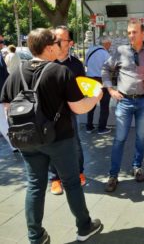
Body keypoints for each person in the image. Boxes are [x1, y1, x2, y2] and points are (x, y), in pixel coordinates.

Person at [0, 28, 103, 243]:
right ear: (48, 48)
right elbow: (79, 108)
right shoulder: (59, 72)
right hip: (59, 139)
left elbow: (8, 108)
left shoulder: (16, 73)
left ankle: (35, 236)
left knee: (35, 185)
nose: (59, 46)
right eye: (56, 43)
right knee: (72, 183)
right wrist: (96, 97)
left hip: (28, 140)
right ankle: (84, 227)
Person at [102, 21, 144, 192]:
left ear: (143, 33)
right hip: (124, 101)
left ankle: (137, 167)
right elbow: (105, 69)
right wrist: (110, 90)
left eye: (134, 32)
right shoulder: (120, 51)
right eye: (129, 32)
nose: (131, 36)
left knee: (141, 138)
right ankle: (113, 175)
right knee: (119, 138)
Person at [48, 25, 87, 195]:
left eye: (60, 39)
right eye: (54, 38)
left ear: (70, 43)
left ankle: (79, 172)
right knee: (50, 143)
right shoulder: (47, 61)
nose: (55, 41)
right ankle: (55, 178)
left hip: (70, 112)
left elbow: (82, 88)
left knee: (75, 143)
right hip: (49, 113)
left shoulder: (76, 64)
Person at [85, 36, 112, 134]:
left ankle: (89, 126)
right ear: (106, 44)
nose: (110, 46)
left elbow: (86, 64)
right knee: (104, 105)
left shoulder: (90, 50)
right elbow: (111, 68)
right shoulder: (105, 54)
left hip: (90, 80)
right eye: (110, 44)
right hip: (101, 80)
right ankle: (102, 128)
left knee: (91, 104)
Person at [0, 36, 15, 152]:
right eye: (1, 42)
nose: (2, 44)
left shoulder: (1, 55)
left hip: (4, 92)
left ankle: (15, 144)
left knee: (6, 119)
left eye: (3, 42)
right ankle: (14, 144)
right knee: (3, 121)